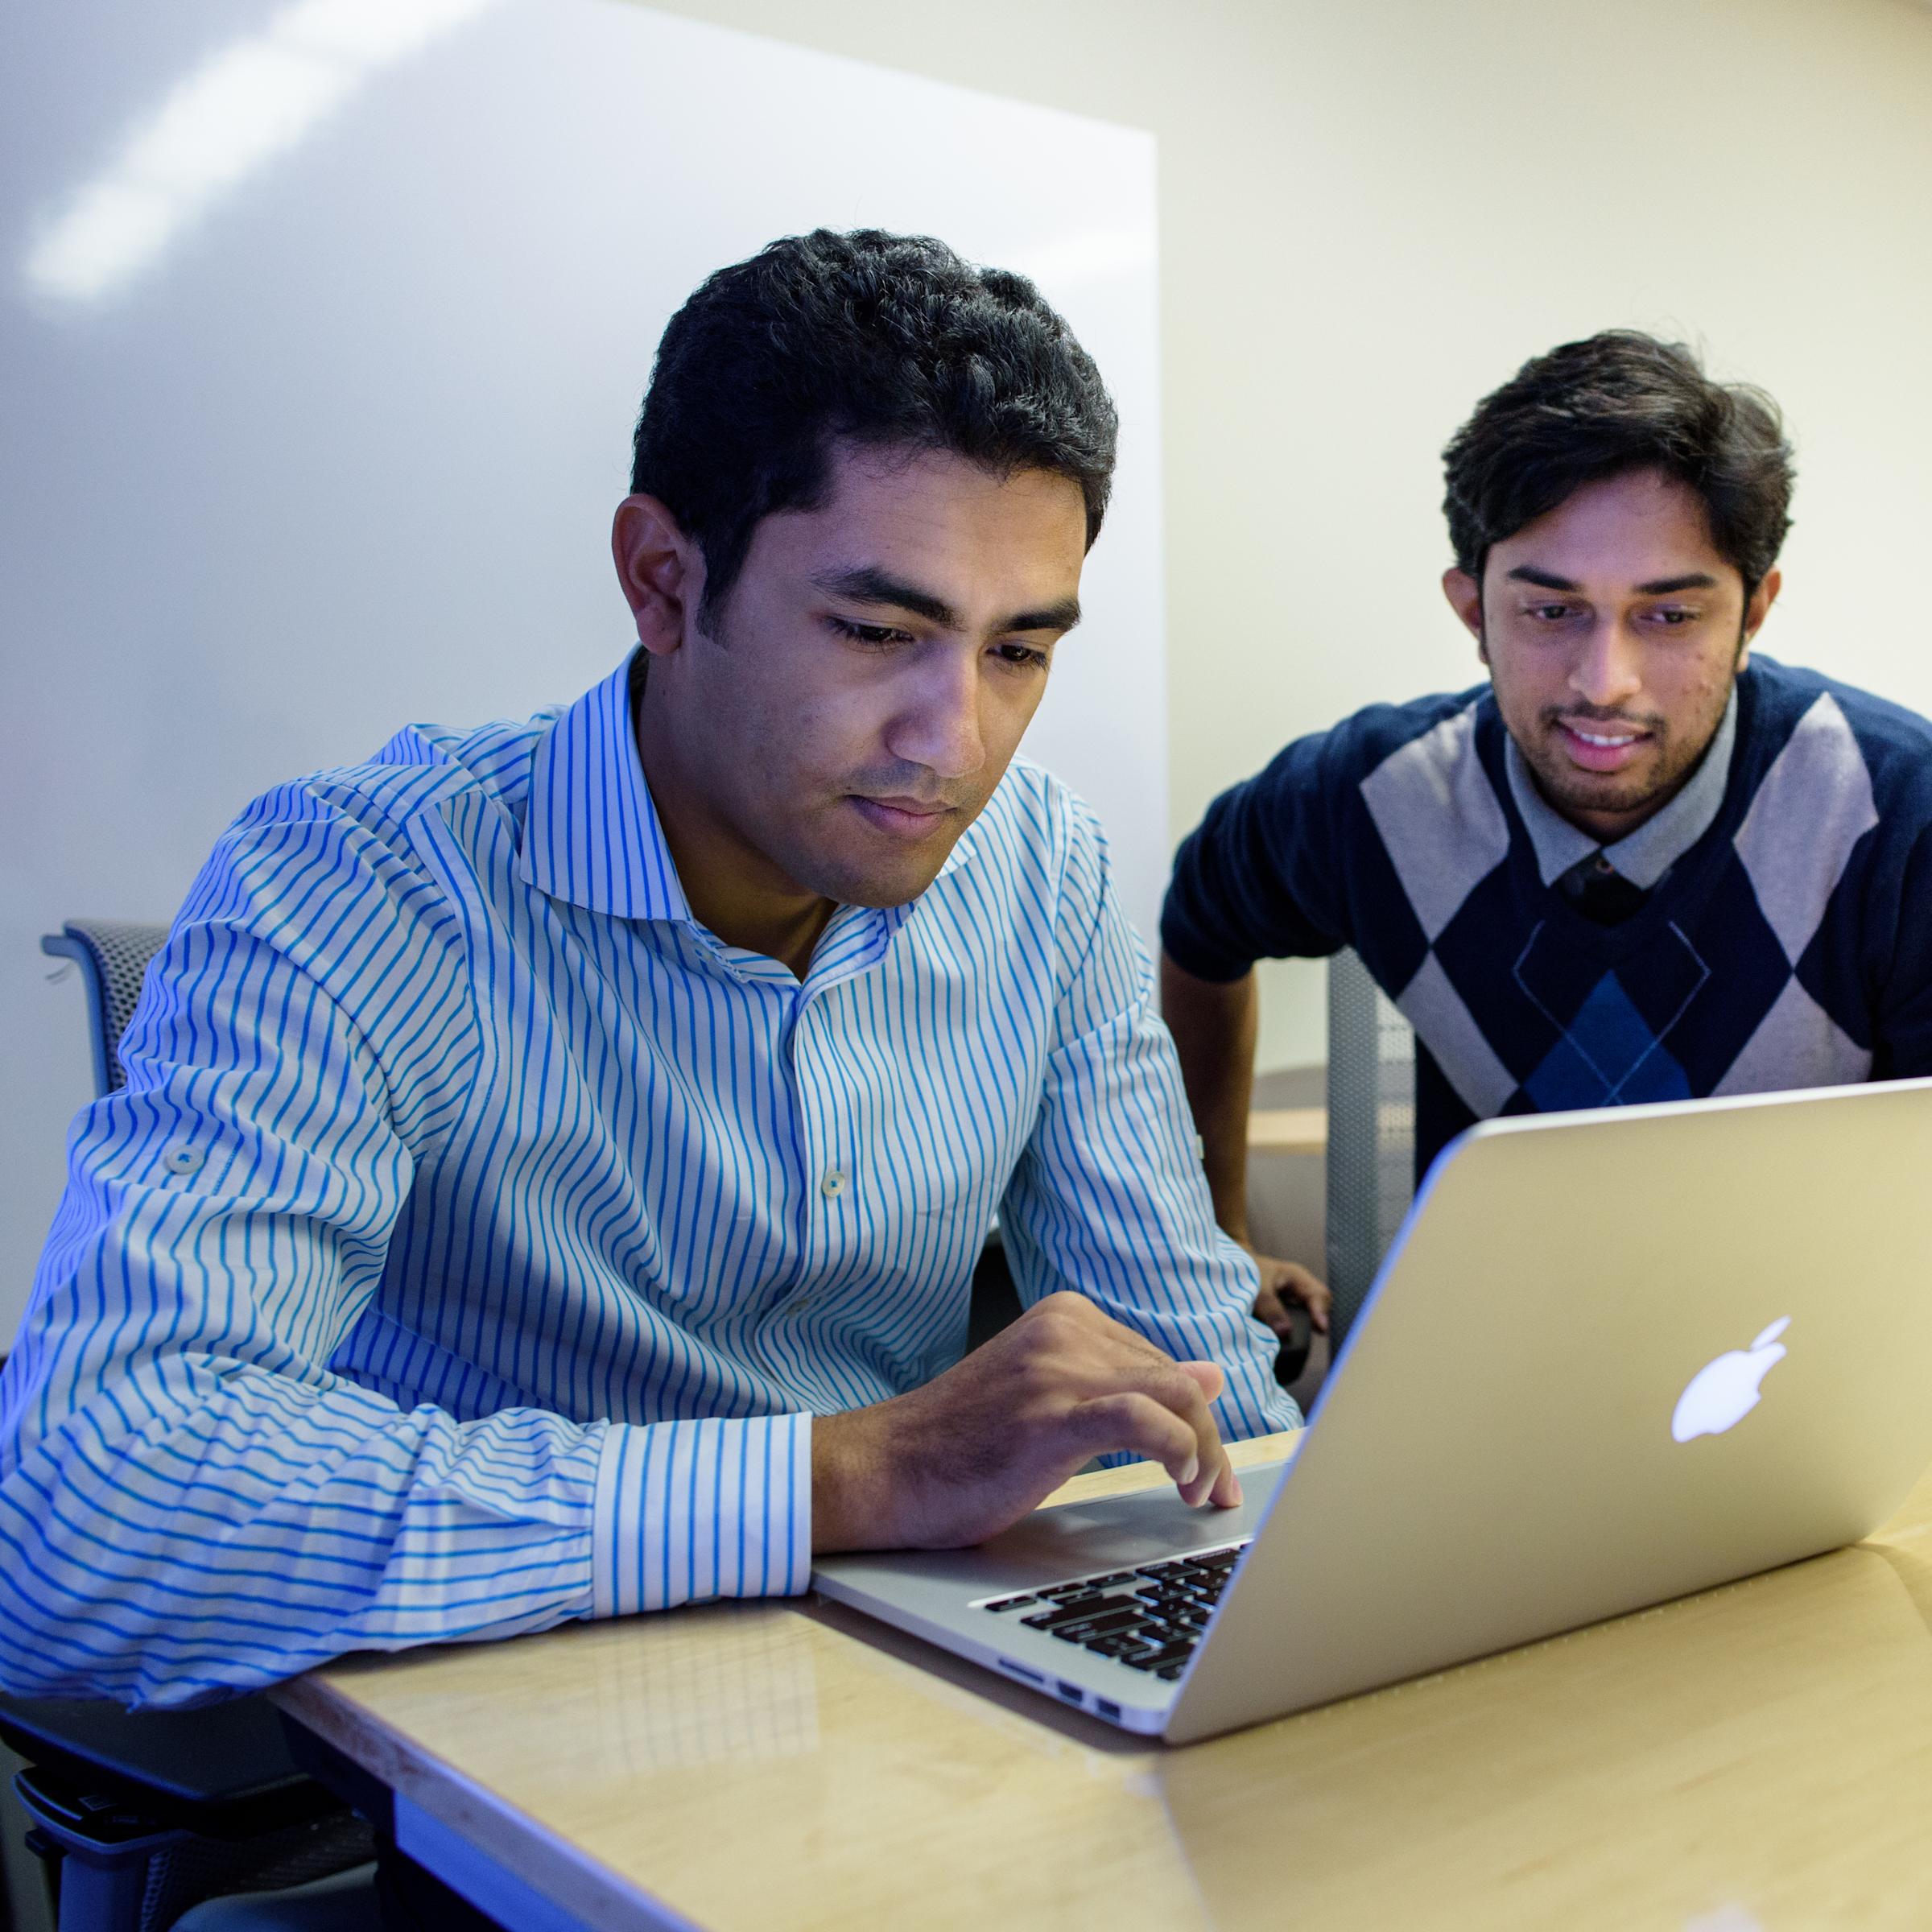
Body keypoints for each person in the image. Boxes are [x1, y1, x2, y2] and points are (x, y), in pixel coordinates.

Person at [0, 229, 1293, 1711]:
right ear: (664, 581)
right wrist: (847, 1475)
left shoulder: (1043, 870)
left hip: (909, 1683)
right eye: (879, 630)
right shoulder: (363, 885)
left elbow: (1203, 1378)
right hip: (507, 1698)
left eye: (1019, 653)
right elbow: (83, 1514)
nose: (958, 744)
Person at [1162, 331, 1932, 1336]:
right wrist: (1215, 1235)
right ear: (1472, 611)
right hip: (1500, 1354)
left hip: (1810, 1360)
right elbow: (1202, 922)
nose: (1604, 681)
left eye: (1669, 617)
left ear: (1754, 613)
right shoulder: (1374, 796)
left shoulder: (1896, 819)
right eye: (1552, 610)